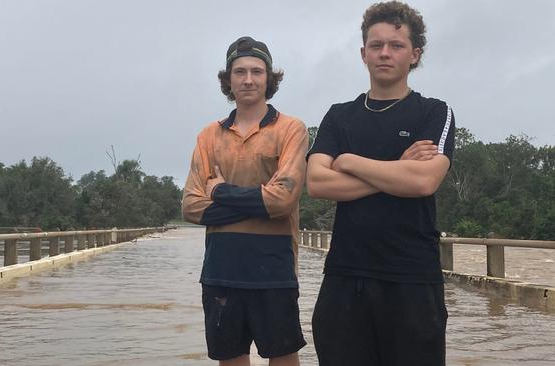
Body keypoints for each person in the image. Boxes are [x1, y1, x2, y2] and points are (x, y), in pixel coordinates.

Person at [306, 2, 455, 365]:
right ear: (363, 53)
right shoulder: (340, 115)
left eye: (396, 45)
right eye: (376, 45)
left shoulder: (434, 112)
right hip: (344, 278)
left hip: (413, 280)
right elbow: (318, 183)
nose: (385, 53)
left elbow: (423, 181)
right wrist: (396, 169)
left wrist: (351, 162)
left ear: (415, 54)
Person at [181, 36, 308, 366]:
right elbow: (191, 206)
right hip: (221, 270)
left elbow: (283, 200)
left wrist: (221, 192)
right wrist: (260, 203)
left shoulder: (291, 129)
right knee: (231, 359)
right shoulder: (209, 135)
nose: (248, 79)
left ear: (270, 78)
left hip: (275, 268)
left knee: (283, 357)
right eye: (239, 72)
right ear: (228, 79)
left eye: (256, 71)